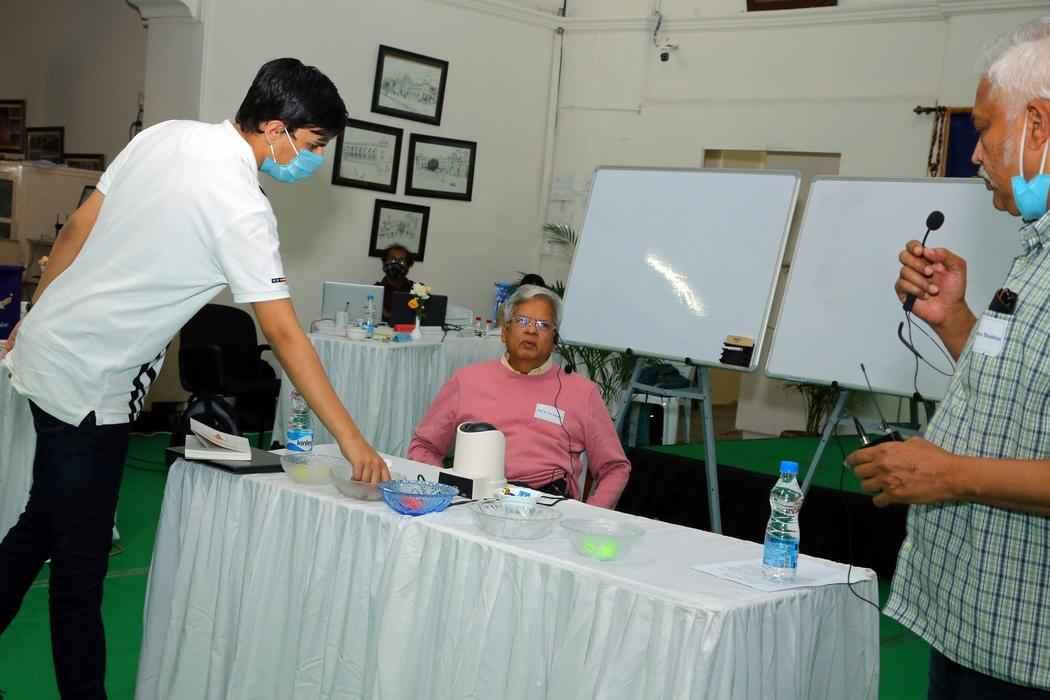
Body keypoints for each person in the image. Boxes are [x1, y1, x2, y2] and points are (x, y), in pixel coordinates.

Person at [0, 58, 389, 699]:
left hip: (48, 352)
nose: (315, 160)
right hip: (89, 386)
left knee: (42, 523)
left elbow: (75, 230)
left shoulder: (166, 135)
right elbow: (286, 335)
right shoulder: (242, 208)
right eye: (315, 145)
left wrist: (35, 316)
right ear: (276, 129)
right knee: (79, 570)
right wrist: (352, 440)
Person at [846, 18, 1050, 698]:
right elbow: (1019, 396)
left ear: (1038, 125)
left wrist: (951, 474)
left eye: (985, 129)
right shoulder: (1036, 253)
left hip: (1029, 658)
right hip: (974, 626)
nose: (975, 154)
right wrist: (954, 320)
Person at [408, 285, 631, 507]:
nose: (531, 331)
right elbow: (423, 447)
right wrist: (443, 496)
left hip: (547, 507)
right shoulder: (466, 381)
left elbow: (615, 468)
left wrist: (587, 517)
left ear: (555, 339)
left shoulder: (582, 392)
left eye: (543, 325)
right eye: (522, 321)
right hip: (473, 502)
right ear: (505, 332)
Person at [374, 244, 416, 323]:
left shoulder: (417, 290)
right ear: (384, 263)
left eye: (402, 261)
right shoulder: (374, 291)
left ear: (408, 266)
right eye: (392, 260)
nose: (396, 264)